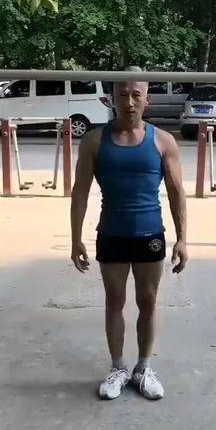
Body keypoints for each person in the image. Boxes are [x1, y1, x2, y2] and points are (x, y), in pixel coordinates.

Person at [70, 68, 188, 401]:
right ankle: (118, 368)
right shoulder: (94, 140)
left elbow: (177, 192)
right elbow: (80, 192)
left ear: (147, 99)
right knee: (114, 302)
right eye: (123, 95)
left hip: (150, 234)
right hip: (112, 234)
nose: (130, 101)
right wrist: (75, 238)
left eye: (136, 95)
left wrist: (182, 239)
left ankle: (143, 367)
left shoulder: (163, 141)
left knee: (147, 302)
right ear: (113, 99)